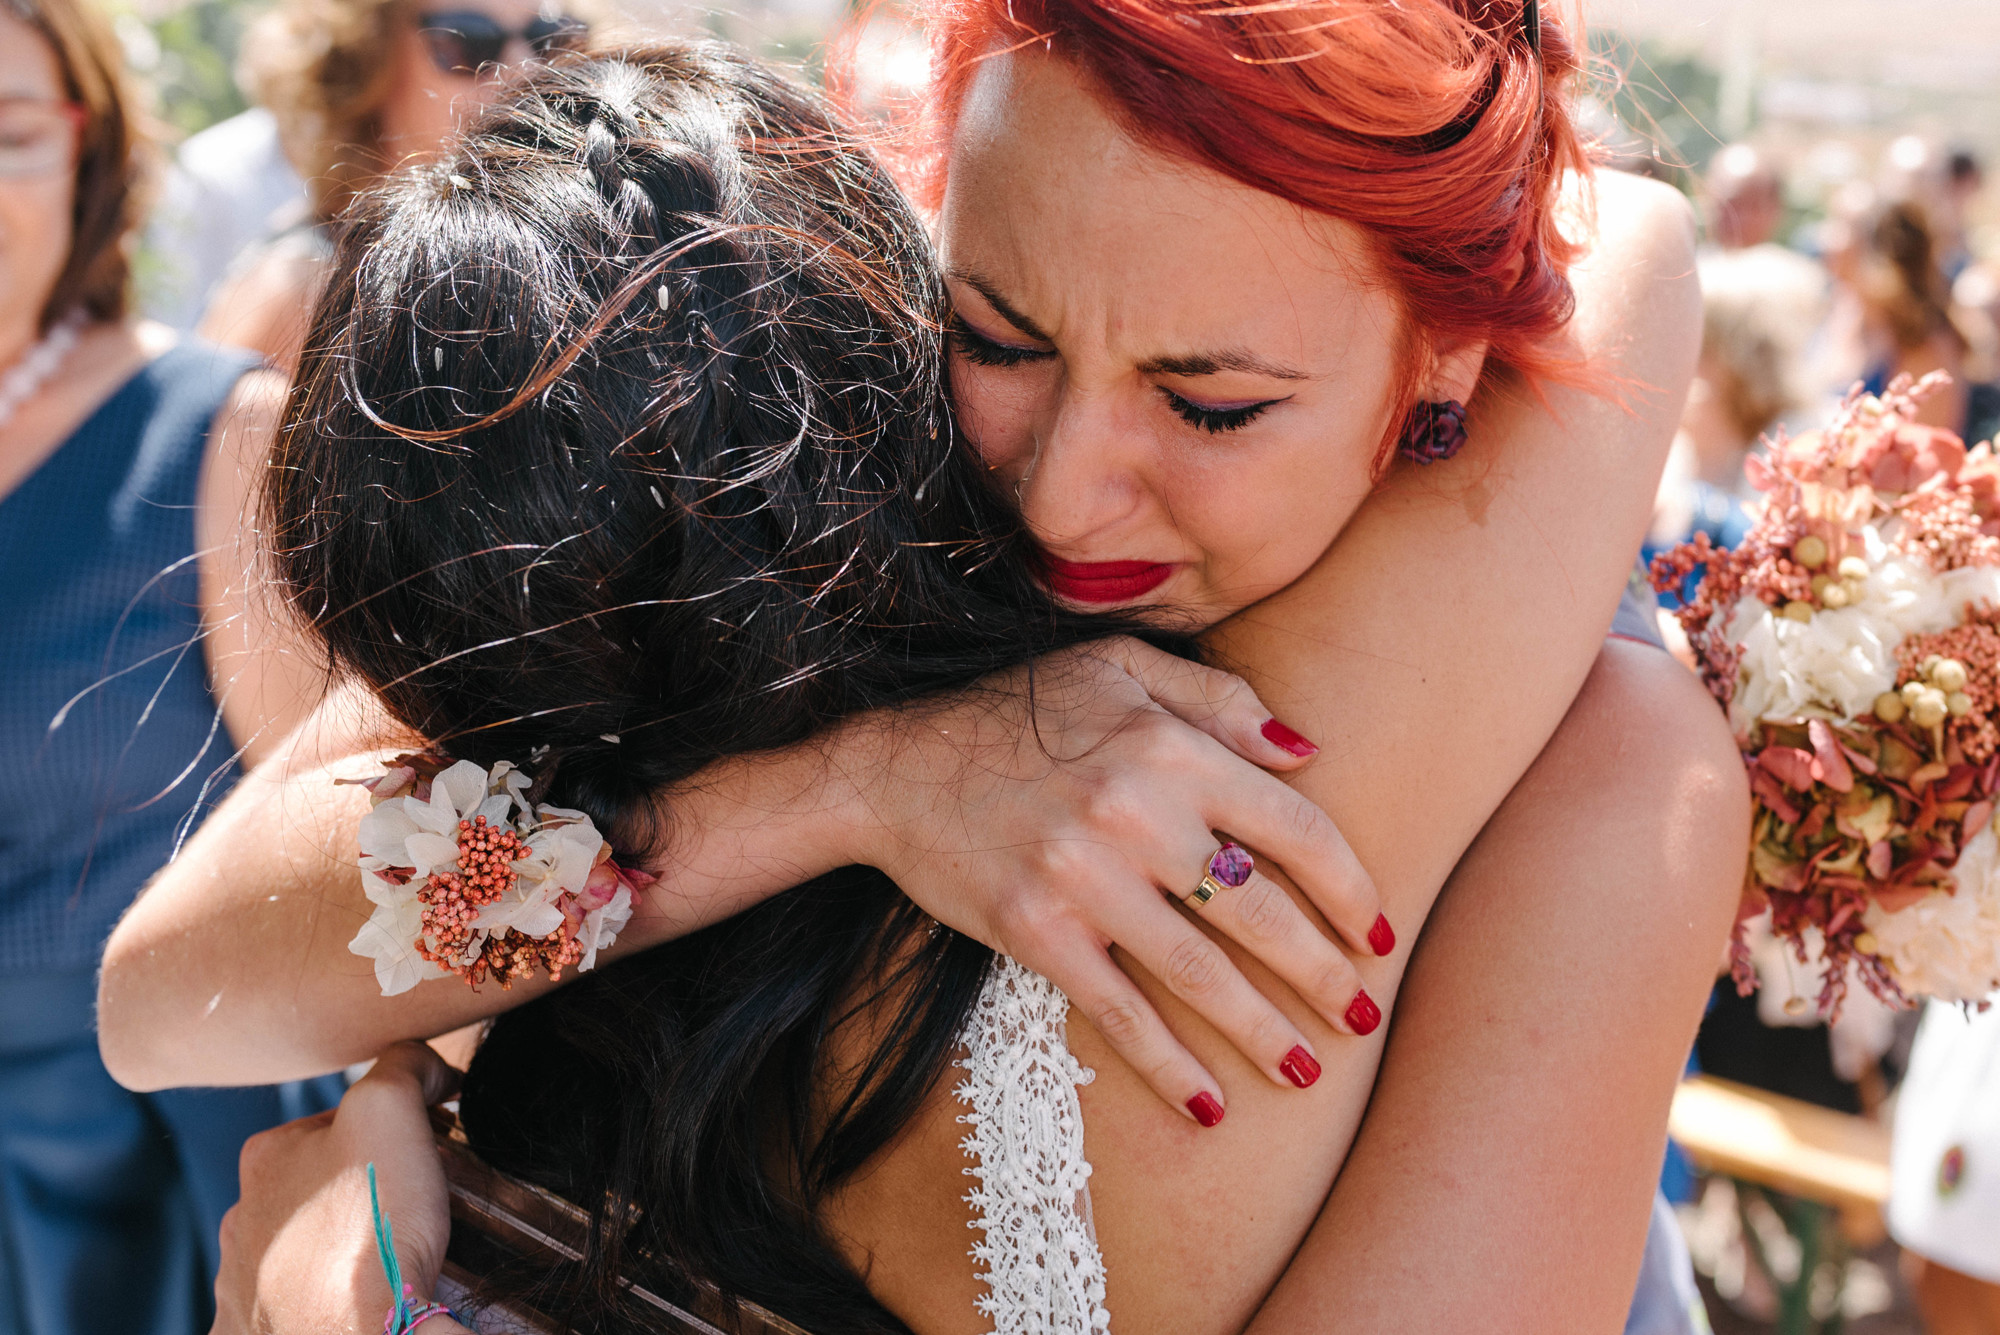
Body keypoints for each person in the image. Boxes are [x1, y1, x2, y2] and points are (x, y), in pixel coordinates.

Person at [102, 8, 1741, 1333]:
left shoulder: (1598, 769)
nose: (1065, 493)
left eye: (1214, 405)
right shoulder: (786, 441)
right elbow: (167, 994)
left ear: (1454, 354)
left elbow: (1626, 243)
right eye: (1000, 336)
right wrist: (848, 788)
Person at [0, 0, 341, 1330]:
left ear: (86, 153)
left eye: (10, 135)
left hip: (167, 1194)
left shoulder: (213, 436)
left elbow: (334, 846)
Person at [194, 0, 591, 372]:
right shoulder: (305, 288)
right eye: (468, 41)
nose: (525, 72)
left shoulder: (568, 258)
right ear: (365, 61)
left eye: (548, 39)